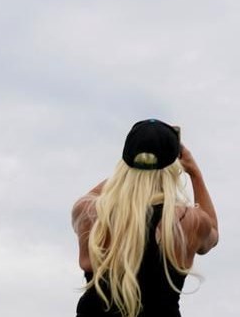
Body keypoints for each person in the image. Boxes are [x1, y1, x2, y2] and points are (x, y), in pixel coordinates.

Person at [71, 119, 219, 317]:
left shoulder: (90, 213)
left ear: (125, 164)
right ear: (172, 168)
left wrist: (127, 175)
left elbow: (90, 197)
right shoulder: (186, 221)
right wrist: (194, 172)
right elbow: (213, 234)